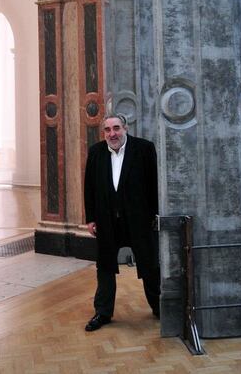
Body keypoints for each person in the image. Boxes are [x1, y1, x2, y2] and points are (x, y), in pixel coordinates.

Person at [84, 113, 160, 332]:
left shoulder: (144, 149)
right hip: (107, 220)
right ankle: (103, 312)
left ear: (125, 128)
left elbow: (153, 182)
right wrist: (90, 218)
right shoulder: (96, 152)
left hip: (139, 219)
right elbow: (89, 187)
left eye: (116, 128)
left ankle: (159, 307)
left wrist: (155, 214)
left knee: (149, 263)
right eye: (107, 130)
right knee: (105, 266)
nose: (112, 134)